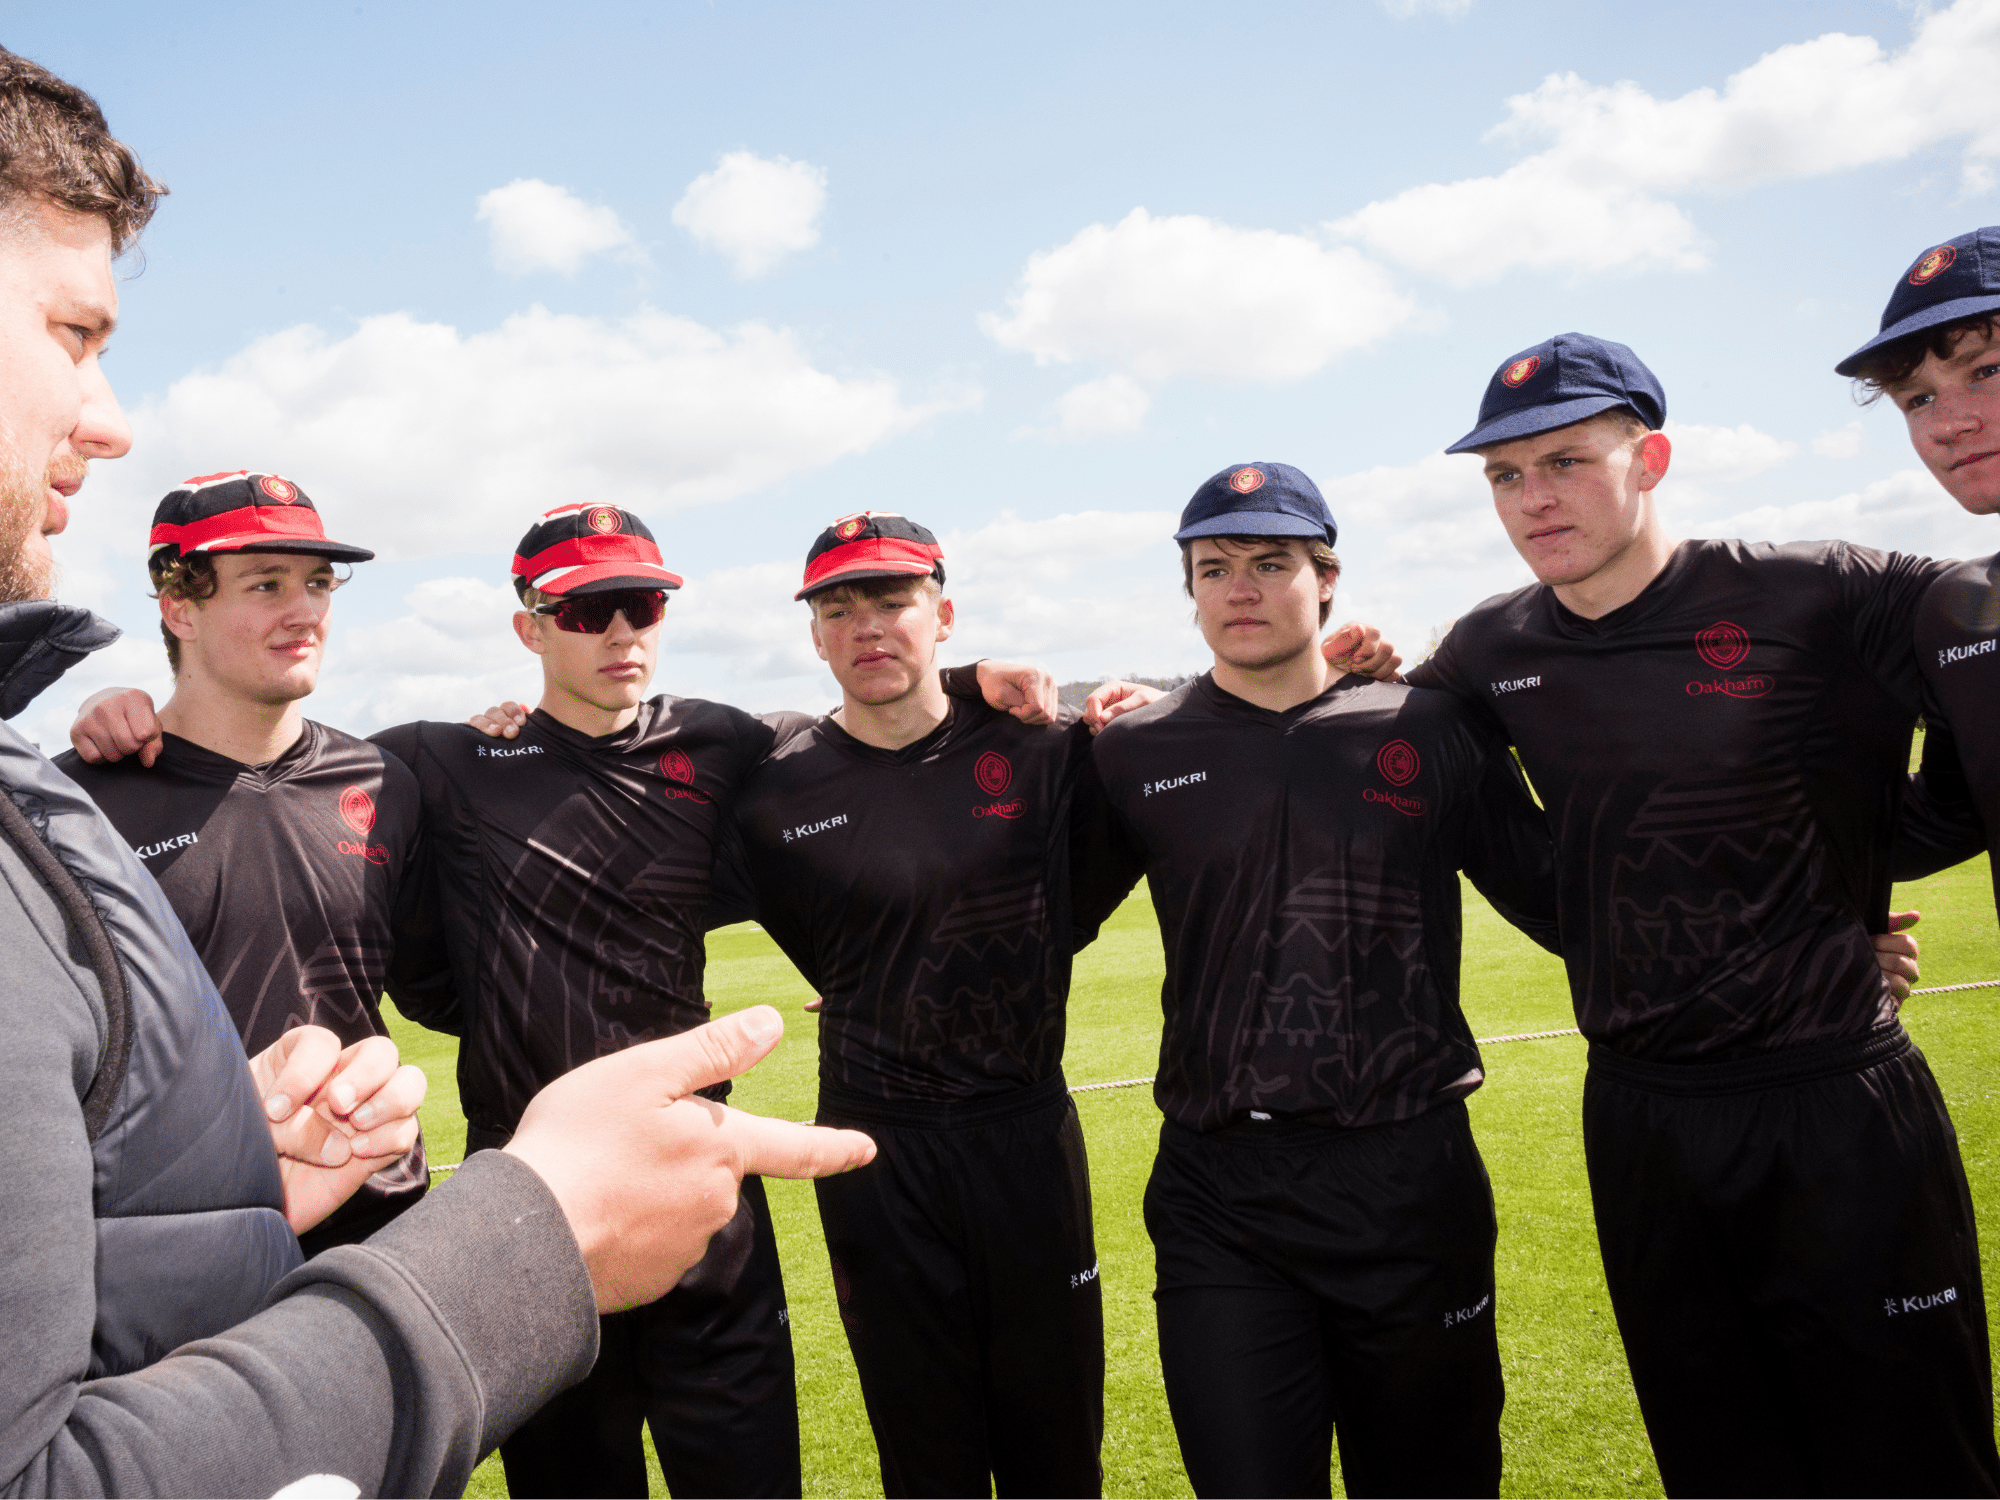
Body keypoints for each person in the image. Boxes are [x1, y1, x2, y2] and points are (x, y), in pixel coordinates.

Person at [0, 43, 874, 1498]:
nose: (107, 410)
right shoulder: (111, 788)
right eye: (74, 334)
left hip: (413, 1206)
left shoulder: (444, 769)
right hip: (368, 1237)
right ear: (174, 598)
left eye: (317, 583)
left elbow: (868, 761)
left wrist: (1002, 698)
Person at [1376, 332, 1999, 1495]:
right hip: (1643, 1119)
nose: (1533, 498)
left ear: (1648, 457)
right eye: (1505, 477)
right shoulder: (1487, 647)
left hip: (1836, 1107)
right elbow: (1417, 778)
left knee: (1915, 1456)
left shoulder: (1822, 591)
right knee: (1715, 1457)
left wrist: (1838, 886)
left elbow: (1972, 704)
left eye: (1565, 461)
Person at [373, 501, 1062, 1499]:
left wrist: (965, 676)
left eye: (641, 605)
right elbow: (284, 767)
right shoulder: (446, 759)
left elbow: (866, 726)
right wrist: (119, 715)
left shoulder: (724, 742)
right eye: (585, 611)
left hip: (704, 1201)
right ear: (527, 628)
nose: (619, 632)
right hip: (533, 1209)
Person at [1075, 464, 1558, 1498]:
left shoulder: (1424, 728)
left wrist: (1823, 937)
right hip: (1221, 1194)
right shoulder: (1134, 750)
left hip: (1406, 1173)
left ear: (1325, 579)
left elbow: (1568, 901)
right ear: (1189, 589)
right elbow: (1037, 920)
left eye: (1269, 563)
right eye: (1213, 569)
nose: (1239, 588)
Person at [713, 511, 1113, 1499]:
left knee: (1055, 1453)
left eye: (892, 600)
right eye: (838, 608)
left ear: (941, 612)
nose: (867, 627)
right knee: (922, 1456)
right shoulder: (768, 793)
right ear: (814, 634)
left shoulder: (1041, 748)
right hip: (873, 1152)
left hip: (1022, 1137)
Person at [60, 471, 429, 1256]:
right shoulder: (75, 805)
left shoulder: (382, 781)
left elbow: (441, 987)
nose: (305, 612)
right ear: (179, 608)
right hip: (188, 1237)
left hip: (384, 1218)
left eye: (319, 584)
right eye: (266, 584)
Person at [1836, 227, 2000, 913]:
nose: (1948, 424)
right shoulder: (1961, 613)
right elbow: (1929, 824)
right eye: (1918, 399)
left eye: (1987, 370)